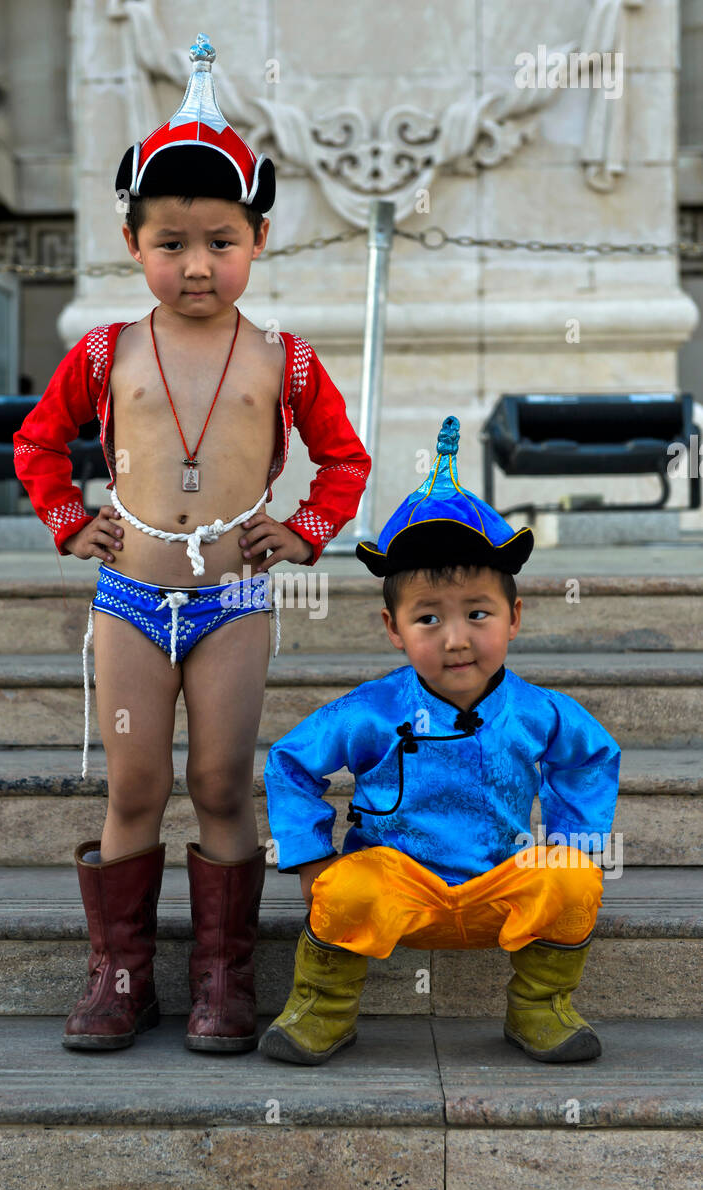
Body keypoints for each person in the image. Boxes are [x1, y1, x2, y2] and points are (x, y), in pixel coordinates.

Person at [13, 33, 371, 1056]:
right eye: (171, 242)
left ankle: (223, 974)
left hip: (234, 601)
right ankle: (122, 973)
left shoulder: (283, 361)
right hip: (130, 594)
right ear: (133, 243)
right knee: (134, 785)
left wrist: (304, 531)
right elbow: (38, 441)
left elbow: (344, 462)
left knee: (220, 782)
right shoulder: (105, 350)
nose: (197, 264)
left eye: (221, 240)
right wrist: (71, 520)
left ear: (258, 239)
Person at [259, 415, 621, 1066]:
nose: (456, 638)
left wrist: (576, 843)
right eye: (428, 618)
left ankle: (542, 1008)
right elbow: (289, 761)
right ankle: (323, 1009)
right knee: (344, 890)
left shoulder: (539, 711)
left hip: (499, 884)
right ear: (393, 628)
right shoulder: (370, 711)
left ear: (514, 617)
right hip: (398, 886)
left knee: (572, 884)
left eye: (477, 614)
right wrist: (312, 856)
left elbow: (592, 758)